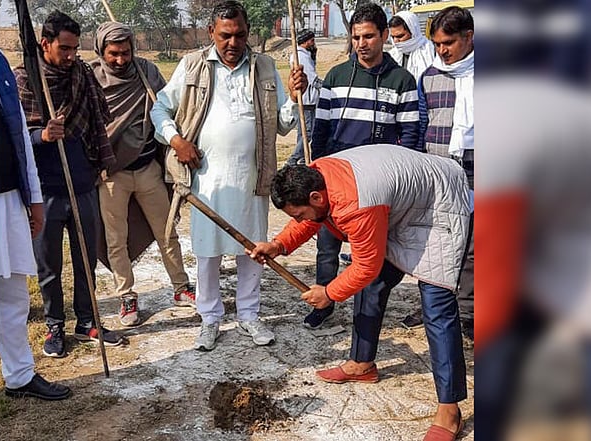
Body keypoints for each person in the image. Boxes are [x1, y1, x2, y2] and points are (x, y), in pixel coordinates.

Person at [248, 145, 468, 439]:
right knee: (371, 287)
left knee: (436, 303)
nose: (300, 220)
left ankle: (450, 410)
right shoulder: (317, 177)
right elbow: (312, 218)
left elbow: (366, 265)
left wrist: (329, 293)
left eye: (299, 213)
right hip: (398, 204)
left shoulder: (355, 203)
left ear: (316, 196)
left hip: (439, 203)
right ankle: (361, 364)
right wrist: (279, 245)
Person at [150, 0, 307, 352]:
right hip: (206, 181)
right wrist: (177, 140)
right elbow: (160, 108)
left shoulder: (264, 66)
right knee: (207, 253)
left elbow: (283, 123)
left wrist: (295, 97)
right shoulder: (192, 66)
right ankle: (210, 318)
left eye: (239, 35)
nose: (232, 43)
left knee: (253, 249)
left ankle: (249, 315)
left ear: (248, 33)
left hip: (252, 177)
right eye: (225, 36)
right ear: (211, 33)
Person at [303, 3, 421, 330]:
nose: (361, 43)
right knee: (327, 249)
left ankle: (365, 317)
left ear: (384, 35)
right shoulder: (337, 77)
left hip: (378, 186)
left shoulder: (402, 81)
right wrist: (318, 172)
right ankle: (325, 301)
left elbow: (411, 136)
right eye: (356, 37)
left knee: (369, 256)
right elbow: (322, 131)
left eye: (369, 36)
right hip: (336, 179)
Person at [15, 10, 124, 358]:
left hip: (82, 182)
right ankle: (54, 326)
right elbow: (11, 138)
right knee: (48, 265)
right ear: (44, 44)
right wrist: (41, 135)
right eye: (64, 48)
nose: (71, 56)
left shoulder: (82, 75)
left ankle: (88, 319)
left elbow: (95, 123)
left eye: (75, 48)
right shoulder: (24, 80)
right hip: (43, 190)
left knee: (85, 259)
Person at [90, 22, 196, 327]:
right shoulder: (91, 77)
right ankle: (126, 296)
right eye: (114, 54)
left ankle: (181, 287)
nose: (121, 60)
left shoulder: (147, 72)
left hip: (148, 167)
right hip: (111, 174)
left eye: (126, 52)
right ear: (101, 51)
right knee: (115, 240)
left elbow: (167, 110)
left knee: (167, 232)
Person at [0, 50, 70, 400]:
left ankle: (20, 376)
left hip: (7, 196)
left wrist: (34, 197)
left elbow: (19, 136)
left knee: (12, 295)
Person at [416, 6, 474, 336]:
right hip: (442, 172)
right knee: (441, 239)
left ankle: (467, 313)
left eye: (449, 42)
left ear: (470, 37)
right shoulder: (430, 76)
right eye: (437, 44)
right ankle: (437, 304)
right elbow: (425, 124)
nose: (442, 50)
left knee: (475, 244)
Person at [284, 29, 322, 166]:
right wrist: (327, 88)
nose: (313, 43)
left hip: (306, 99)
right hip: (306, 100)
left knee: (302, 133)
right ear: (305, 42)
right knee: (309, 132)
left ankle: (300, 161)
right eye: (312, 41)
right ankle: (292, 160)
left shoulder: (304, 54)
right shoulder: (301, 56)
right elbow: (313, 79)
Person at [386, 11, 436, 82]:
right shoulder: (392, 56)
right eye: (393, 37)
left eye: (400, 36)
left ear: (413, 32)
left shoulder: (431, 51)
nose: (396, 41)